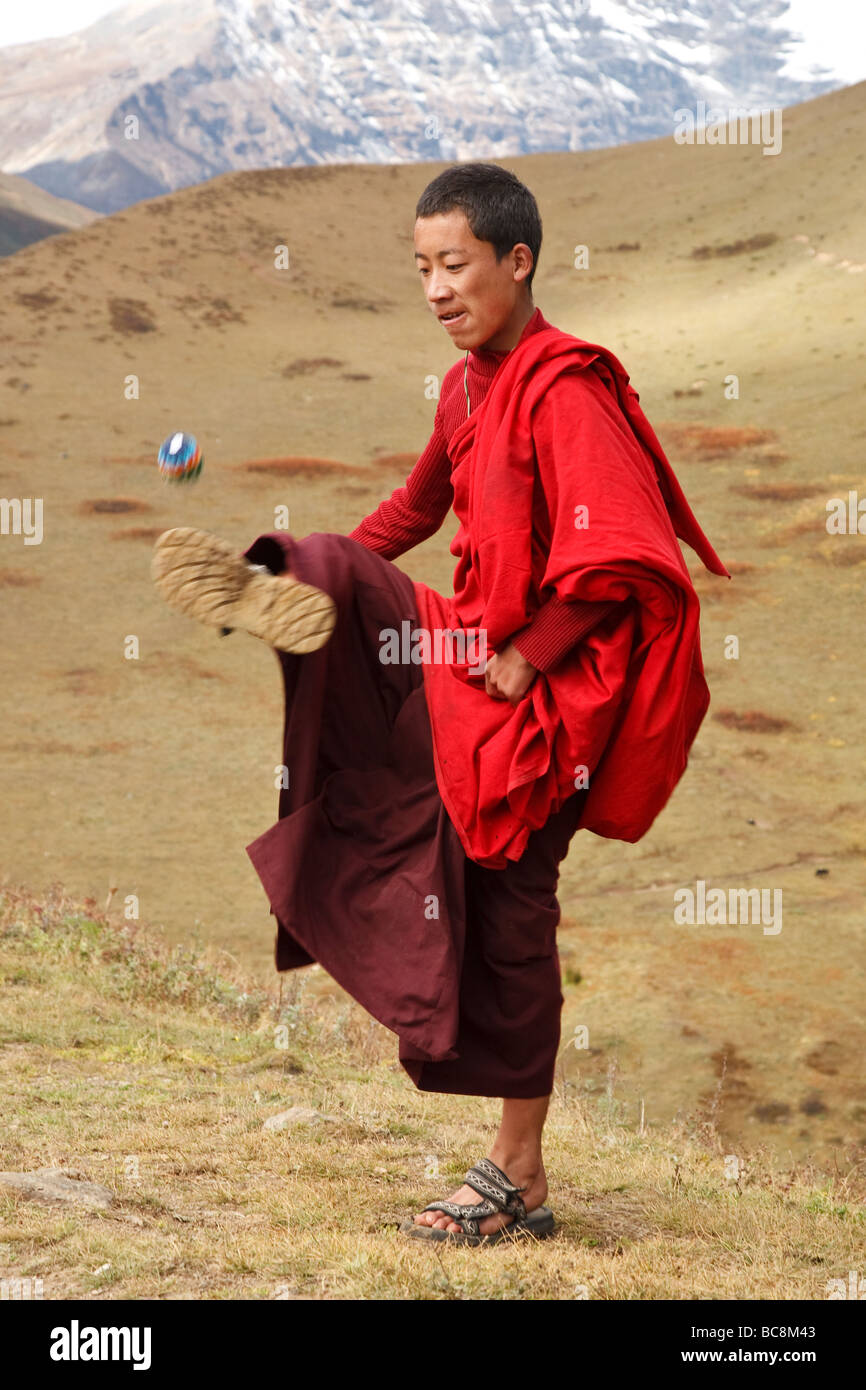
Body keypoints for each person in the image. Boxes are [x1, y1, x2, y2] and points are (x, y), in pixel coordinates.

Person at [152, 161, 729, 1247]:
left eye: (453, 265)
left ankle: (515, 1170)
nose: (435, 289)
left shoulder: (566, 387)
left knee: (513, 908)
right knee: (338, 572)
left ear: (516, 262)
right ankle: (286, 589)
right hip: (472, 657)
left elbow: (631, 554)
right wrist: (343, 582)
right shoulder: (465, 388)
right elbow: (417, 505)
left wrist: (535, 650)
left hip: (559, 698)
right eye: (419, 268)